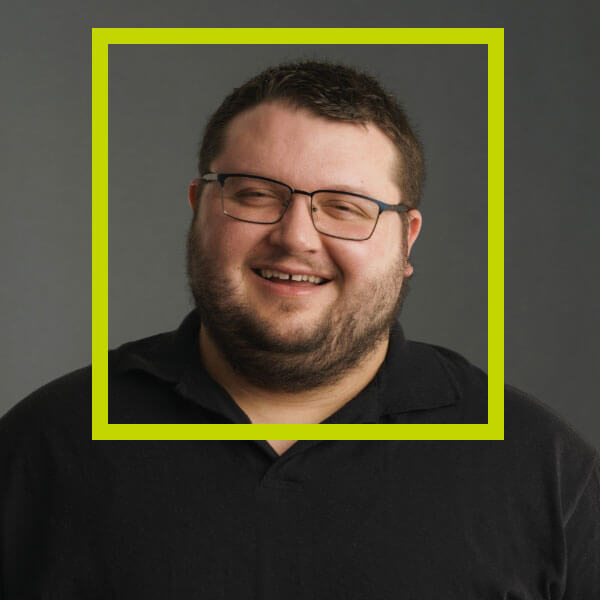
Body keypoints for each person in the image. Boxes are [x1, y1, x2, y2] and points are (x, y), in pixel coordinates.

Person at [1, 61, 598, 598]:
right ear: (197, 209)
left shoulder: (542, 469)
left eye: (345, 207)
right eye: (257, 195)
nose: (296, 237)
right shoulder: (43, 447)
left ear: (406, 238)